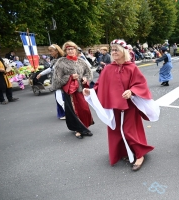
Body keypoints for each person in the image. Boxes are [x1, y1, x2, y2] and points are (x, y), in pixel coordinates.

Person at [83, 39, 159, 171]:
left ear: (124, 52)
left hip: (130, 106)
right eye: (112, 50)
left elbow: (140, 84)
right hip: (114, 106)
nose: (114, 52)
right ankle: (124, 152)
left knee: (130, 130)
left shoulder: (132, 68)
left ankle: (140, 154)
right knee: (116, 131)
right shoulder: (108, 68)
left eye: (116, 50)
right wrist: (90, 92)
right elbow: (100, 85)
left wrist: (132, 91)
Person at [52, 41, 94, 139]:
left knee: (84, 109)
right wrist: (70, 77)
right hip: (70, 92)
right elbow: (57, 79)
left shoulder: (81, 61)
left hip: (80, 90)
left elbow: (89, 73)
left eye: (72, 49)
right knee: (74, 111)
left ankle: (84, 127)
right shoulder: (61, 62)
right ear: (65, 51)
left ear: (76, 50)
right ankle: (78, 130)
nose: (70, 51)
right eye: (68, 49)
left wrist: (85, 78)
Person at [37, 44, 66, 119]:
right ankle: (64, 113)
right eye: (49, 51)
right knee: (59, 98)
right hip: (56, 82)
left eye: (51, 51)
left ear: (56, 51)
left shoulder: (62, 59)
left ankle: (67, 113)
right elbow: (50, 68)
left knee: (61, 98)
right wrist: (41, 73)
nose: (50, 53)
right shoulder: (53, 59)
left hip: (62, 82)